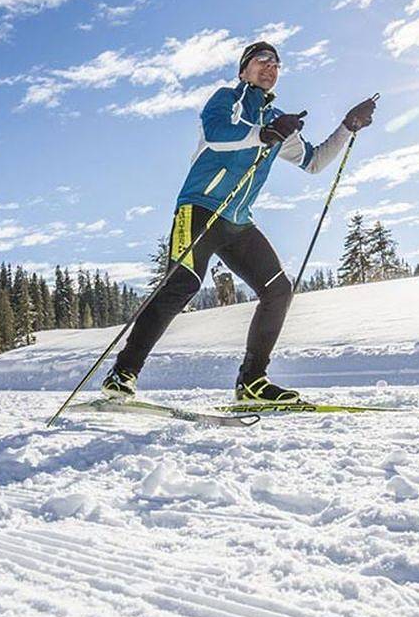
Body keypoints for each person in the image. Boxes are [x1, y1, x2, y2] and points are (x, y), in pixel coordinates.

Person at [102, 41, 376, 404]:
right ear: (244, 69)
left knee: (278, 290)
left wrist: (347, 126)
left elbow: (313, 162)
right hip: (199, 208)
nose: (270, 67)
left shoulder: (278, 121)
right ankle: (122, 374)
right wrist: (265, 133)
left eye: (276, 63)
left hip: (237, 221)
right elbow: (218, 136)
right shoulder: (226, 100)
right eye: (262, 60)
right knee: (180, 285)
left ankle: (252, 382)